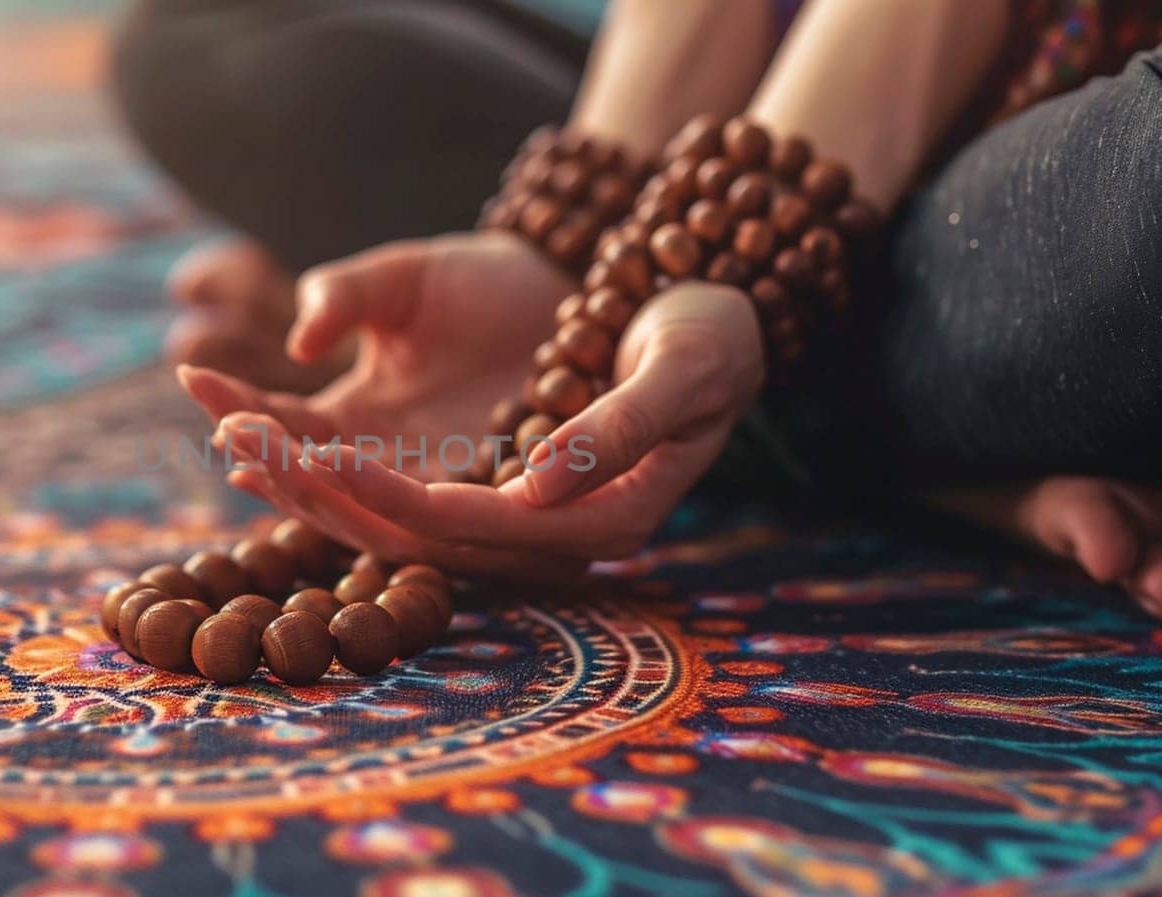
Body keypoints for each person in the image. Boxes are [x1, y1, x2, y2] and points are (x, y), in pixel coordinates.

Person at [112, 0, 1162, 612]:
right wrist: (570, 234)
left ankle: (771, 414)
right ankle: (852, 423)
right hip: (792, 89)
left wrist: (718, 262)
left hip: (1074, 98)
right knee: (201, 40)